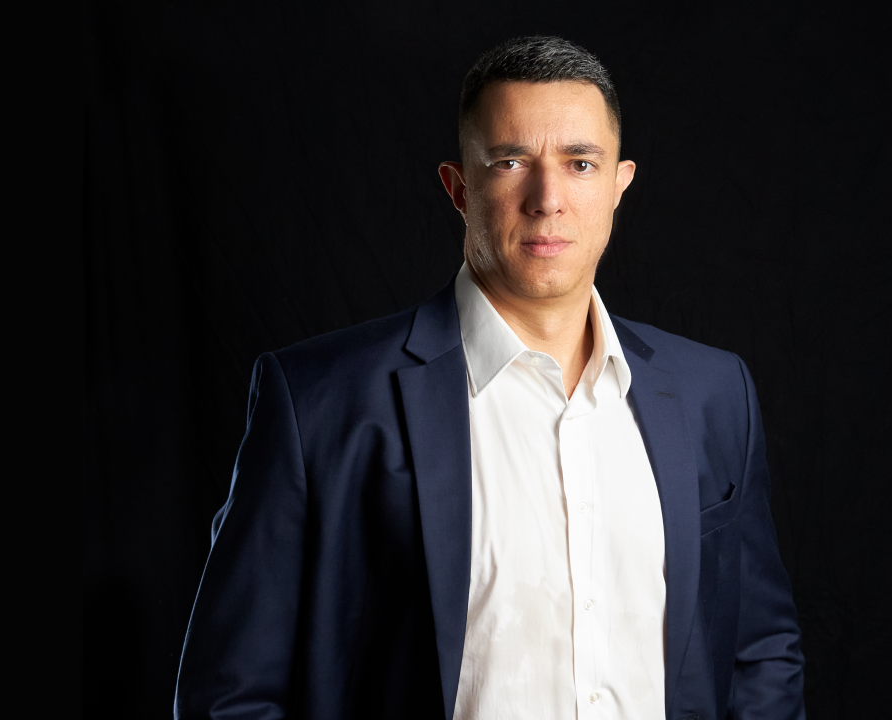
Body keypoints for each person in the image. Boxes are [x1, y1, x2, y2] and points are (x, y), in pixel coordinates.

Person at [175, 36, 805, 720]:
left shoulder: (713, 393)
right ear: (459, 187)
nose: (548, 199)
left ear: (619, 184)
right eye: (511, 162)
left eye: (580, 164)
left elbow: (757, 651)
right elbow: (228, 695)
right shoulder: (318, 402)